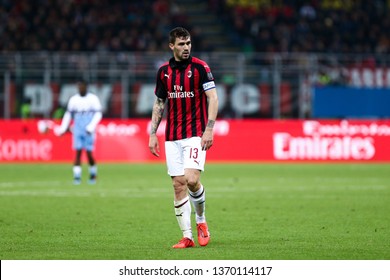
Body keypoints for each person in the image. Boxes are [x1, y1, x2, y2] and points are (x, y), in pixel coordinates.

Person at [148, 27, 219, 249]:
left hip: (195, 134)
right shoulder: (163, 72)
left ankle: (201, 221)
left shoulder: (200, 67)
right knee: (178, 185)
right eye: (181, 44)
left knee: (191, 180)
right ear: (172, 46)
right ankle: (187, 236)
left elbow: (213, 98)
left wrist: (209, 129)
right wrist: (152, 133)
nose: (186, 47)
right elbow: (160, 103)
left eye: (188, 43)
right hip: (172, 137)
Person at [55, 79, 102, 185]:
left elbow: (98, 114)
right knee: (78, 152)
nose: (80, 88)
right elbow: (68, 115)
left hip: (89, 130)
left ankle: (93, 175)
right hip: (78, 130)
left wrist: (91, 126)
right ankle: (77, 177)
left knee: (89, 153)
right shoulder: (73, 100)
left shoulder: (93, 99)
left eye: (82, 86)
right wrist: (63, 127)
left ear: (86, 86)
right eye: (79, 86)